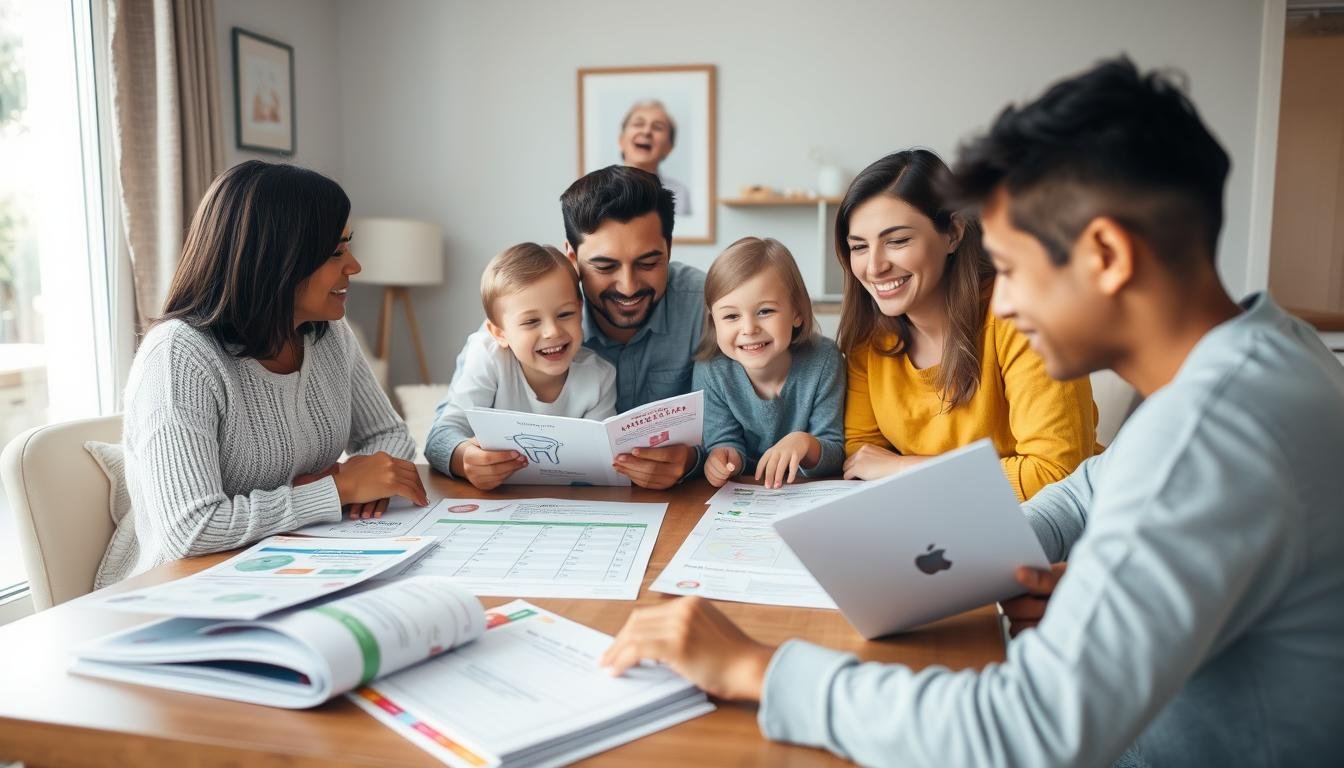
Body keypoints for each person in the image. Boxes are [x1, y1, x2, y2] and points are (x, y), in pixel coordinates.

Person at [599, 57, 1344, 766]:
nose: (1005, 302)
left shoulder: (1208, 432)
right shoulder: (1258, 350)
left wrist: (759, 668)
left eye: (1013, 269)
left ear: (1108, 255)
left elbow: (1024, 733)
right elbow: (1091, 488)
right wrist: (999, 555)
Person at [101, 160, 428, 586]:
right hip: (182, 587)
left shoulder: (328, 334)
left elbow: (391, 437)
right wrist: (335, 490)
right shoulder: (178, 357)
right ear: (276, 261)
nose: (354, 266)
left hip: (290, 566)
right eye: (335, 252)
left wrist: (357, 483)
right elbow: (192, 530)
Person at [837, 148, 1098, 500]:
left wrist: (905, 468)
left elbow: (1056, 475)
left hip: (1048, 532)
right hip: (933, 524)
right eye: (859, 247)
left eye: (897, 241)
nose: (874, 267)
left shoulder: (1021, 317)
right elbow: (862, 457)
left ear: (953, 233)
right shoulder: (871, 340)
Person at [423, 243, 617, 490]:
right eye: (531, 321)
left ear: (580, 311)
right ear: (499, 333)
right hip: (498, 500)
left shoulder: (600, 376)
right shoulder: (488, 357)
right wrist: (466, 461)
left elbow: (601, 461)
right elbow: (439, 438)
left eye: (564, 314)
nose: (552, 332)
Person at [560, 164, 706, 489]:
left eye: (648, 263)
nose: (628, 287)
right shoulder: (535, 308)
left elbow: (750, 428)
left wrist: (693, 459)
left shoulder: (710, 307)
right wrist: (462, 457)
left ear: (670, 248)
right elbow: (446, 433)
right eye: (605, 266)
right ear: (571, 257)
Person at [693, 237, 844, 489]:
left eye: (765, 311)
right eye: (731, 316)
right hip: (747, 498)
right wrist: (723, 459)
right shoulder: (711, 370)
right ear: (713, 321)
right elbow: (723, 441)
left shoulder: (824, 359)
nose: (749, 329)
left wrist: (804, 443)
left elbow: (835, 453)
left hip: (805, 495)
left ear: (797, 313)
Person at [618, 99, 691, 216]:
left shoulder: (679, 194)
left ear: (669, 147)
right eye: (638, 124)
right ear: (621, 140)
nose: (646, 131)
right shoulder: (597, 191)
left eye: (657, 127)